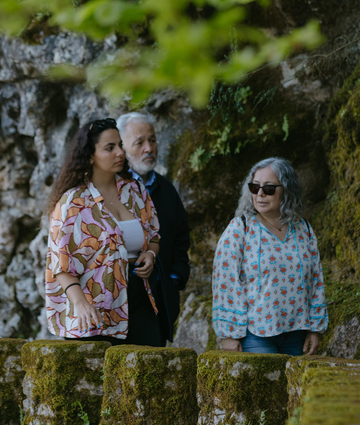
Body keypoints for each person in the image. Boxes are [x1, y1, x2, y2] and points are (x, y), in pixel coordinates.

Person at [45, 117, 162, 346]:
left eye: (120, 145)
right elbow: (61, 263)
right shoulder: (73, 202)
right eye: (110, 148)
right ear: (90, 155)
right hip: (94, 311)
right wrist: (80, 304)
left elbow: (154, 234)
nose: (120, 152)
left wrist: (151, 254)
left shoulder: (135, 190)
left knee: (151, 365)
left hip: (139, 300)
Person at [212, 157, 328, 355]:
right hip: (255, 336)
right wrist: (229, 335)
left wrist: (314, 329)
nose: (260, 194)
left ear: (287, 190)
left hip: (297, 334)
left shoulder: (303, 229)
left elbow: (316, 280)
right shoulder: (240, 228)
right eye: (254, 187)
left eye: (269, 188)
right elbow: (225, 283)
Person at [117, 112, 191, 346]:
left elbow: (181, 240)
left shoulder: (166, 190)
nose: (149, 148)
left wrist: (173, 280)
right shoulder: (111, 189)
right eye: (139, 142)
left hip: (157, 301)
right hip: (117, 301)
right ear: (121, 148)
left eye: (153, 140)